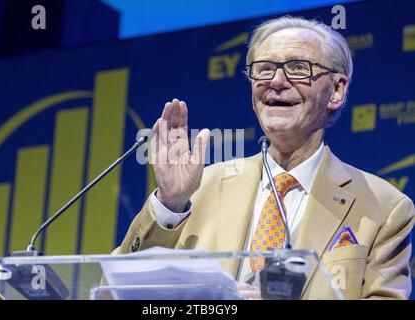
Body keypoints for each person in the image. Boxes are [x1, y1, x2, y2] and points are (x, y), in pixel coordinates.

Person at [113, 16, 415, 299]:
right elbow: (117, 289)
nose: (277, 81)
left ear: (336, 90)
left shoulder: (384, 207)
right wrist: (170, 206)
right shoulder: (201, 188)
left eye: (298, 68)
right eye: (264, 69)